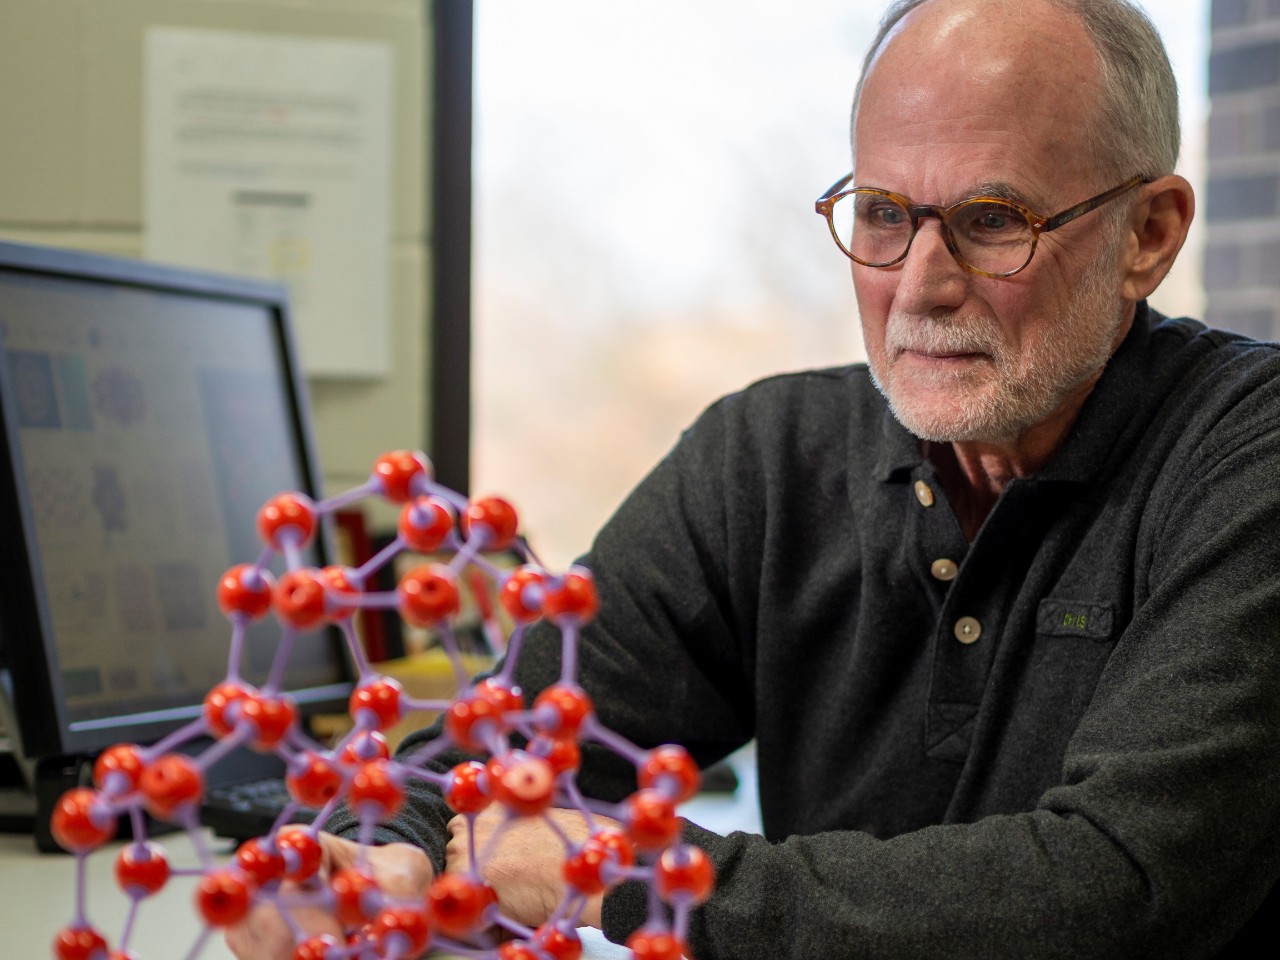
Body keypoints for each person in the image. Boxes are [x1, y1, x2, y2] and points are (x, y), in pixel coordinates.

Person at [229, 0, 1280, 957]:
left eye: (993, 219)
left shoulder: (1247, 454)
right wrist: (374, 856)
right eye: (882, 214)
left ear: (1148, 235)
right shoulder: (769, 459)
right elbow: (503, 747)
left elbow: (1124, 887)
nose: (919, 285)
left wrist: (633, 874)